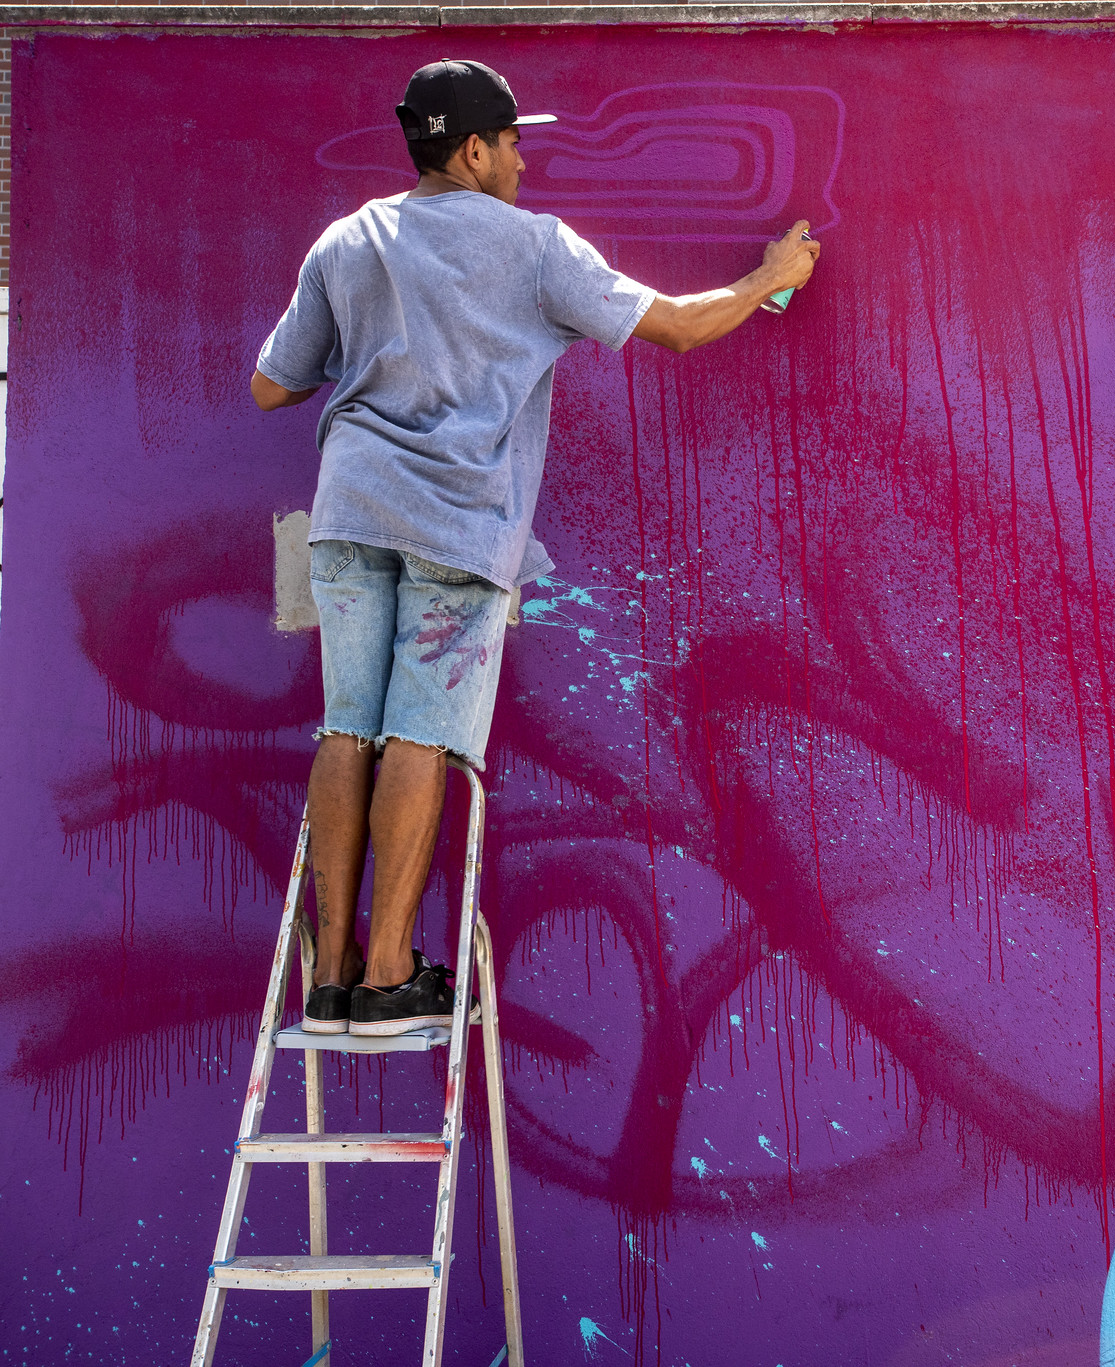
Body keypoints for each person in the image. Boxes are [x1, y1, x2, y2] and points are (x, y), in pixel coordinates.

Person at [251, 58, 819, 1036]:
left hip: (347, 514)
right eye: (511, 142)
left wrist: (375, 345)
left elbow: (272, 386)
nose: (520, 160)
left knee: (349, 726)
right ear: (470, 150)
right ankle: (391, 975)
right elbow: (678, 327)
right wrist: (772, 277)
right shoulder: (535, 248)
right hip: (452, 523)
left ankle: (336, 972)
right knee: (420, 732)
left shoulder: (347, 242)